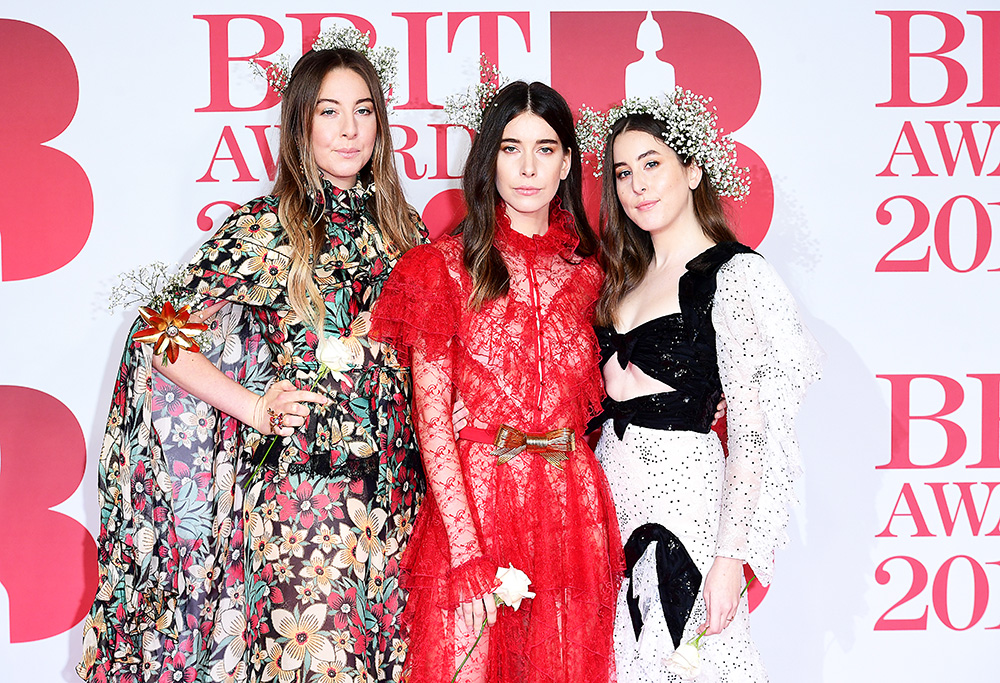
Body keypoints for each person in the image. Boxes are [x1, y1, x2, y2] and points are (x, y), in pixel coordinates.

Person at [78, 44, 430, 683]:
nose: (348, 130)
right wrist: (255, 406)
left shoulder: (407, 235)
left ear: (382, 124)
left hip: (401, 501)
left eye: (363, 111)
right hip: (304, 502)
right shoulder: (267, 228)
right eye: (329, 112)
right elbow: (159, 332)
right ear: (301, 124)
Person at [370, 81, 623, 683]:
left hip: (570, 507)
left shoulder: (597, 273)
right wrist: (466, 550)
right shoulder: (443, 269)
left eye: (545, 148)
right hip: (478, 505)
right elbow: (432, 421)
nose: (528, 167)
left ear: (567, 162)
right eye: (511, 148)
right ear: (490, 159)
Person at [585, 89, 821, 681]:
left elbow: (755, 431)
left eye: (653, 163)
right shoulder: (622, 283)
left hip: (686, 504)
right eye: (622, 172)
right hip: (611, 506)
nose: (637, 184)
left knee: (697, 662)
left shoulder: (738, 275)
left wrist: (731, 557)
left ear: (692, 170)